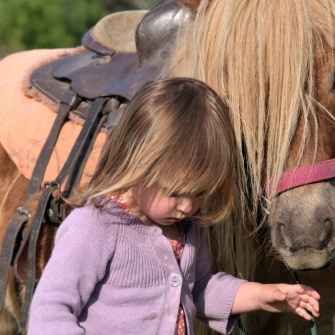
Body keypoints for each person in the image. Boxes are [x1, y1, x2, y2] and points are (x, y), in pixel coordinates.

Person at [27, 78, 320, 335]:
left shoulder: (187, 230)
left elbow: (197, 289)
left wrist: (261, 296)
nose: (188, 206)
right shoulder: (94, 226)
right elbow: (51, 309)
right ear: (138, 162)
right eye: (176, 192)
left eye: (201, 193)